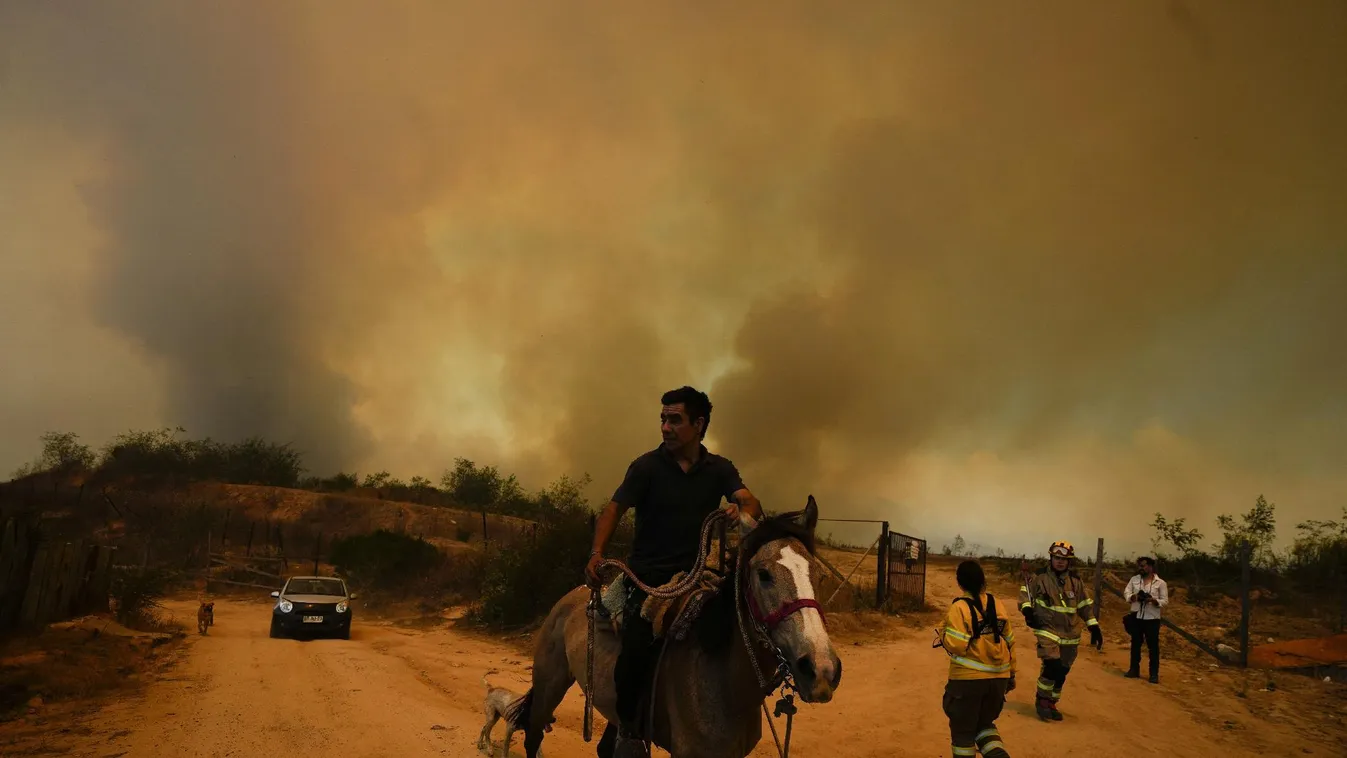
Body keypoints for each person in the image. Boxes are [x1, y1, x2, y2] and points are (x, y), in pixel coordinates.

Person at [585, 385, 763, 758]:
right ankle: (628, 732)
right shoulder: (646, 467)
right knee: (635, 648)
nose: (665, 427)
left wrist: (740, 512)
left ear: (699, 424)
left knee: (732, 633)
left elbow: (749, 501)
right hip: (646, 579)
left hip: (696, 577)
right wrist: (597, 553)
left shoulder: (719, 469)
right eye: (663, 419)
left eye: (675, 419)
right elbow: (613, 510)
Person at [936, 560, 1016, 758]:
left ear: (960, 582)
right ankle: (998, 754)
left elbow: (956, 645)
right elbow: (1010, 642)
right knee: (984, 725)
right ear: (982, 580)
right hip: (999, 679)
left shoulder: (960, 608)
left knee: (963, 732)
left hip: (967, 682)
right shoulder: (997, 604)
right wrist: (1011, 674)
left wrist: (942, 633)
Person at [1018, 540, 1102, 722]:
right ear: (1051, 557)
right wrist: (1027, 610)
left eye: (1064, 559)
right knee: (1052, 666)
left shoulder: (1076, 582)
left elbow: (1085, 606)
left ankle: (1052, 701)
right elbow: (1025, 595)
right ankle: (1042, 700)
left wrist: (1093, 626)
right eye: (1056, 557)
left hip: (1071, 633)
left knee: (1062, 671)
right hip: (1046, 628)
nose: (1060, 562)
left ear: (1069, 561)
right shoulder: (1039, 578)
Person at [1123, 556, 1169, 683]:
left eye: (1143, 566)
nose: (1140, 568)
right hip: (1137, 616)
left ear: (1150, 566)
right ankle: (1133, 670)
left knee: (1153, 647)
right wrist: (1134, 597)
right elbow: (1126, 593)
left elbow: (1165, 601)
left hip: (1152, 618)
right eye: (1139, 566)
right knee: (1135, 644)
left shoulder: (1161, 583)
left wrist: (1154, 601)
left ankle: (1153, 674)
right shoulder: (1134, 579)